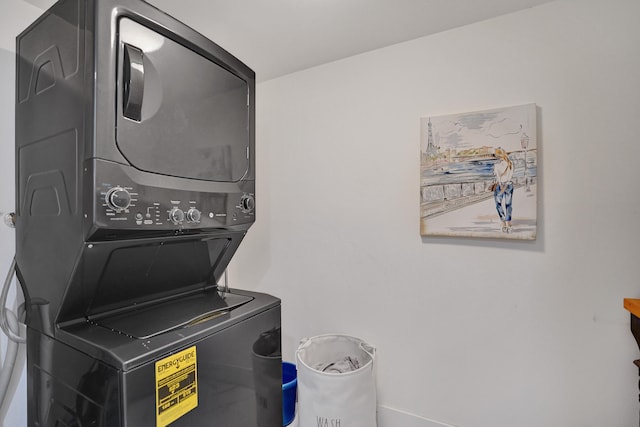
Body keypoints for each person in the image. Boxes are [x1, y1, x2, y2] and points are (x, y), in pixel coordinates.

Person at [493, 147, 514, 233]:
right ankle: (508, 223)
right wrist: (506, 185)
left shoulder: (496, 166)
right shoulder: (510, 163)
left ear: (498, 156)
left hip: (500, 186)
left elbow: (497, 177)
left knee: (498, 204)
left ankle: (503, 223)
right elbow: (510, 176)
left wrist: (501, 186)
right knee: (508, 204)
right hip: (509, 185)